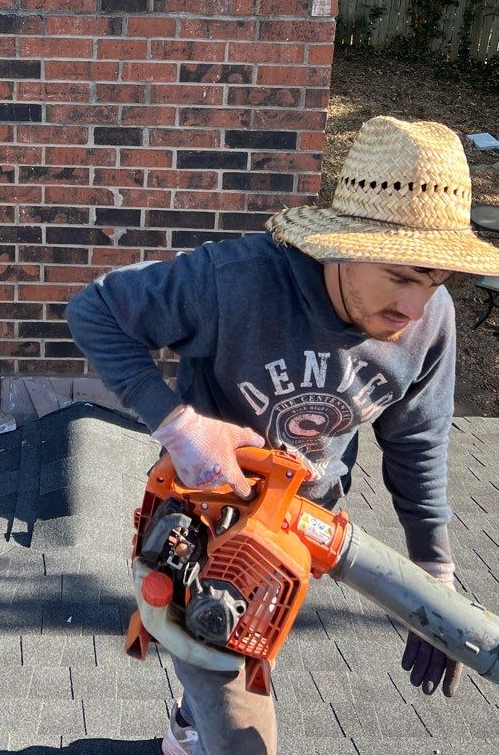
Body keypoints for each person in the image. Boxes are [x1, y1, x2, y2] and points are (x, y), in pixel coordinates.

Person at [67, 117, 499, 755]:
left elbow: (419, 443)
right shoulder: (238, 281)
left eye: (436, 280)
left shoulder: (430, 321)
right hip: (207, 525)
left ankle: (190, 730)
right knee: (244, 735)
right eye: (402, 276)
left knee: (238, 669)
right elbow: (96, 309)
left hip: (299, 534)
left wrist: (432, 570)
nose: (414, 307)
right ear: (343, 244)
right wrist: (179, 426)